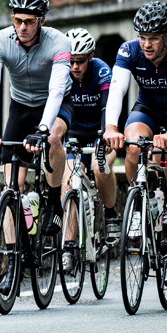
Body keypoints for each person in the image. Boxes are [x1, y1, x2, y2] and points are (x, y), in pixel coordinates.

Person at [0, 0, 72, 291]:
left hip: (55, 105)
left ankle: (54, 201)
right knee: (10, 188)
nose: (22, 27)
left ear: (41, 20)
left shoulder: (58, 42)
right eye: (17, 20)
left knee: (53, 138)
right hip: (20, 106)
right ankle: (13, 261)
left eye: (29, 21)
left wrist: (43, 129)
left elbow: (57, 90)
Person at [103, 1, 167, 292]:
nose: (146, 44)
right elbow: (117, 89)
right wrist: (111, 127)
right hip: (147, 109)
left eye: (154, 38)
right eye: (142, 37)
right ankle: (139, 205)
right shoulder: (129, 50)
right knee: (133, 147)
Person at [62, 28, 118, 273]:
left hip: (100, 131)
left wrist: (106, 134)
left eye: (80, 61)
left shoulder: (102, 71)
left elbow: (107, 106)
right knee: (68, 182)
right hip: (74, 132)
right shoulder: (62, 72)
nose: (75, 66)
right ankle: (68, 245)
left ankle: (111, 213)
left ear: (91, 57)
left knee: (99, 166)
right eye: (71, 61)